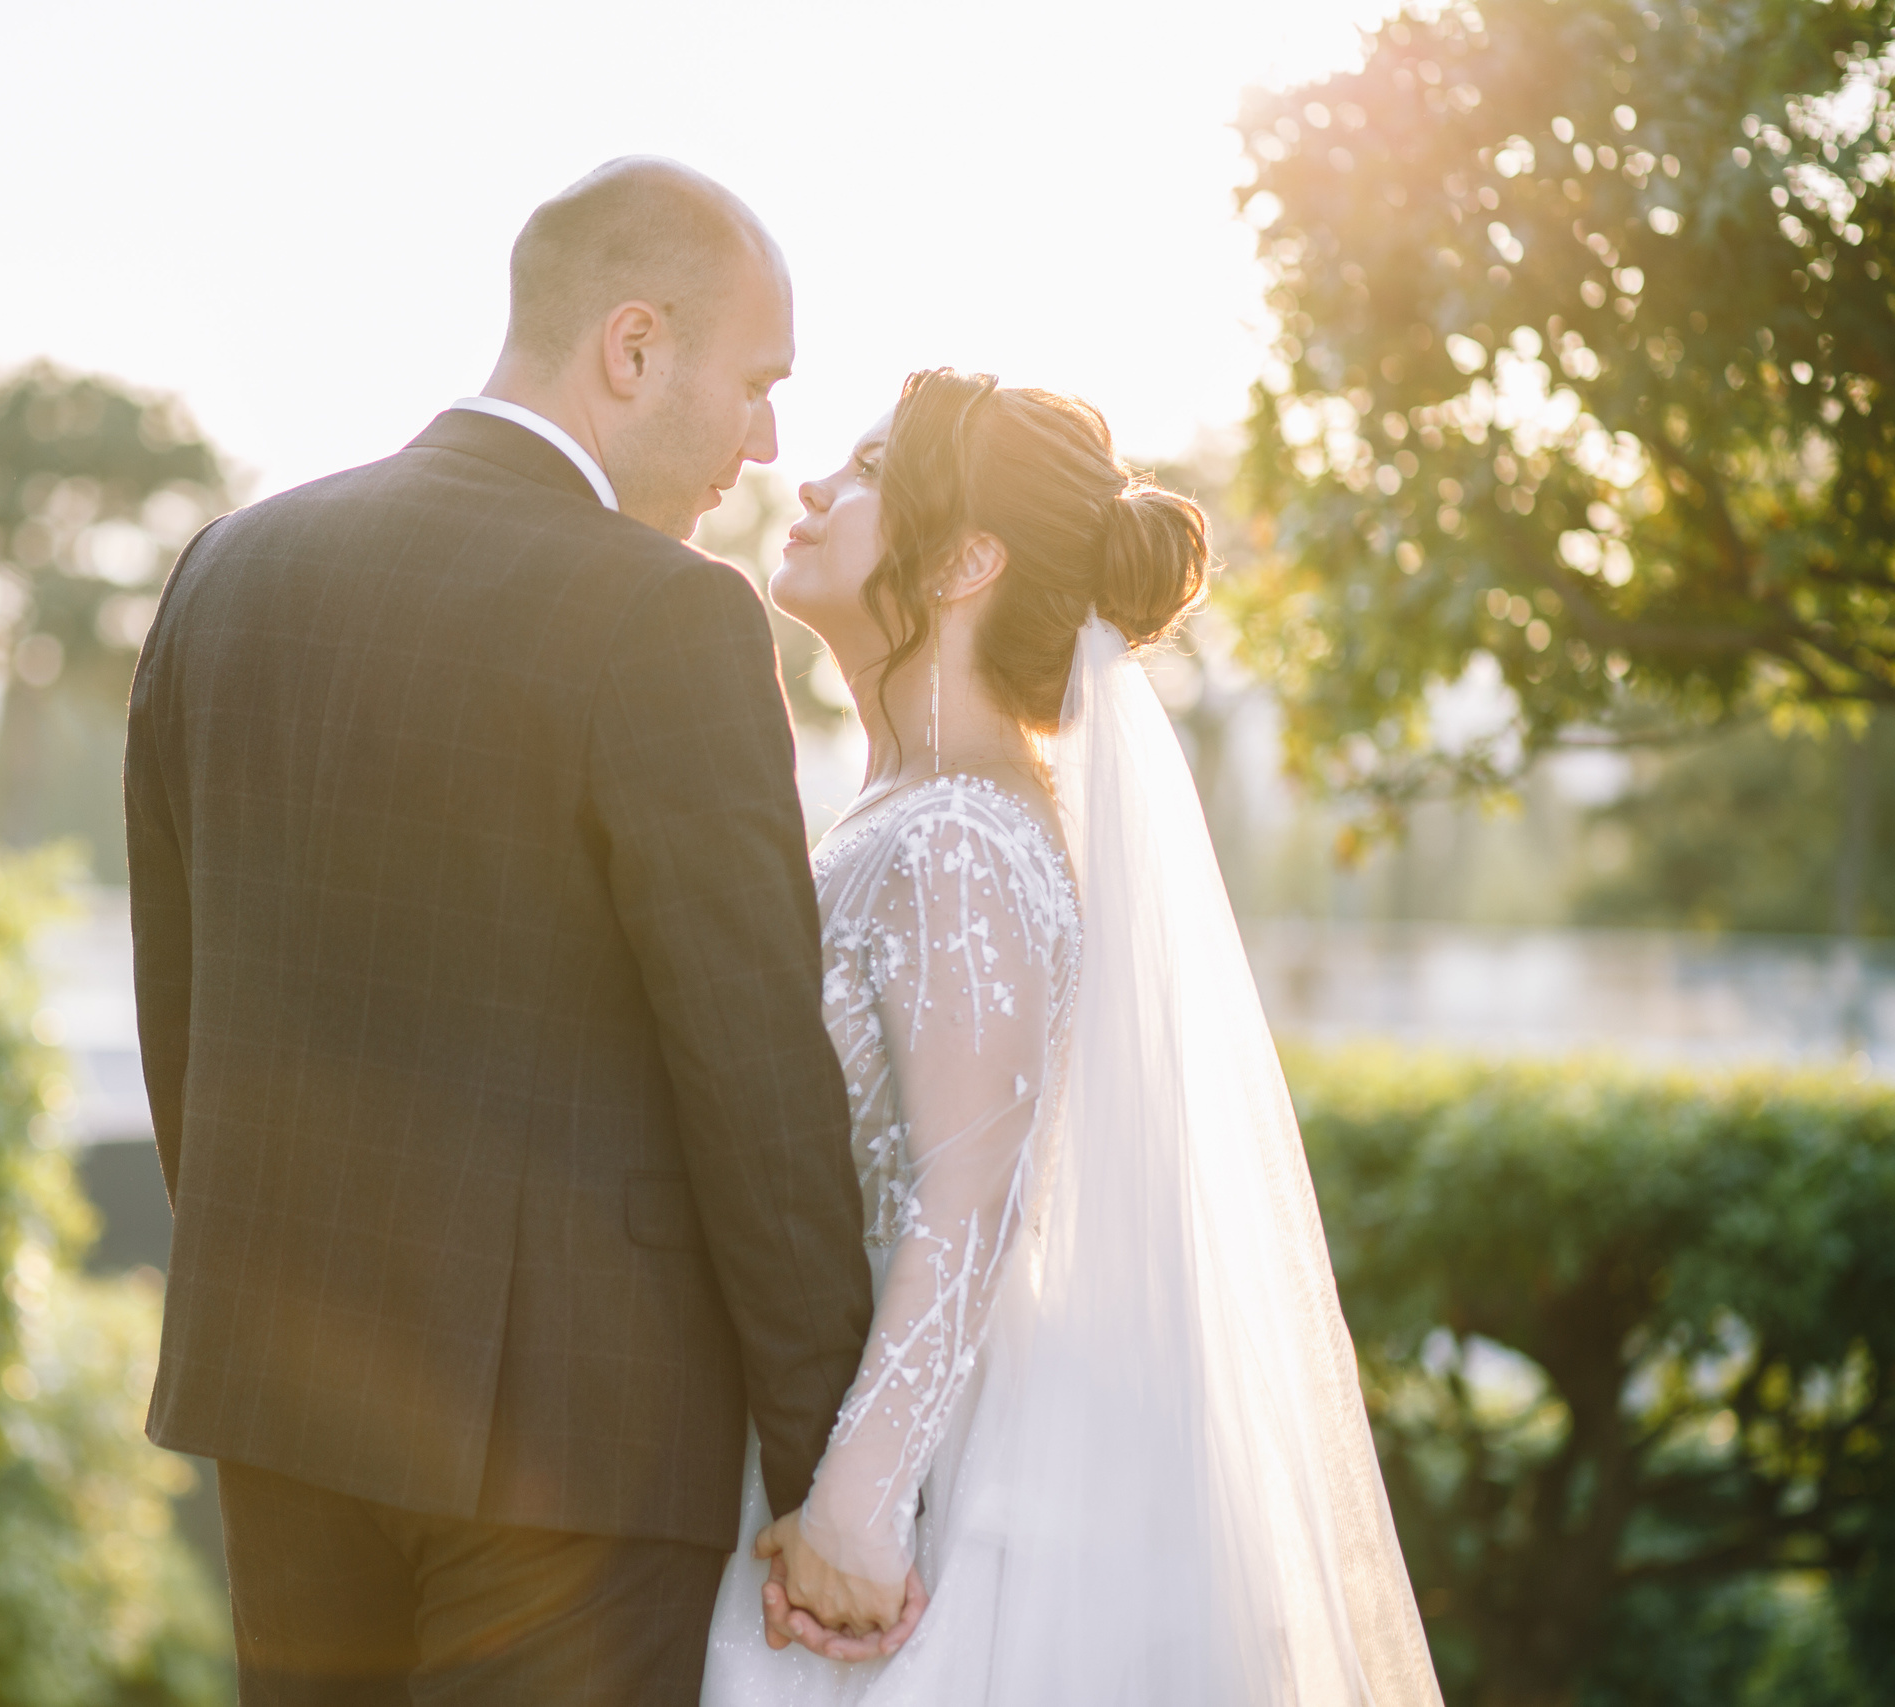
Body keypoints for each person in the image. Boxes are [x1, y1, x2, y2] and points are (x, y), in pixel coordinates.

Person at [122, 158, 890, 1706]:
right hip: (574, 1446)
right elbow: (754, 1076)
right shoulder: (669, 615)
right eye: (755, 384)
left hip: (280, 1397)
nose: (767, 443)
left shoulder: (231, 568)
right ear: (631, 346)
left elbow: (177, 1007)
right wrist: (830, 1464)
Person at [702, 371, 1445, 1705]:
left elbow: (965, 1204)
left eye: (867, 471)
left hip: (929, 1515)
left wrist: (859, 1516)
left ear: (966, 562)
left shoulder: (963, 840)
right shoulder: (915, 813)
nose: (810, 485)